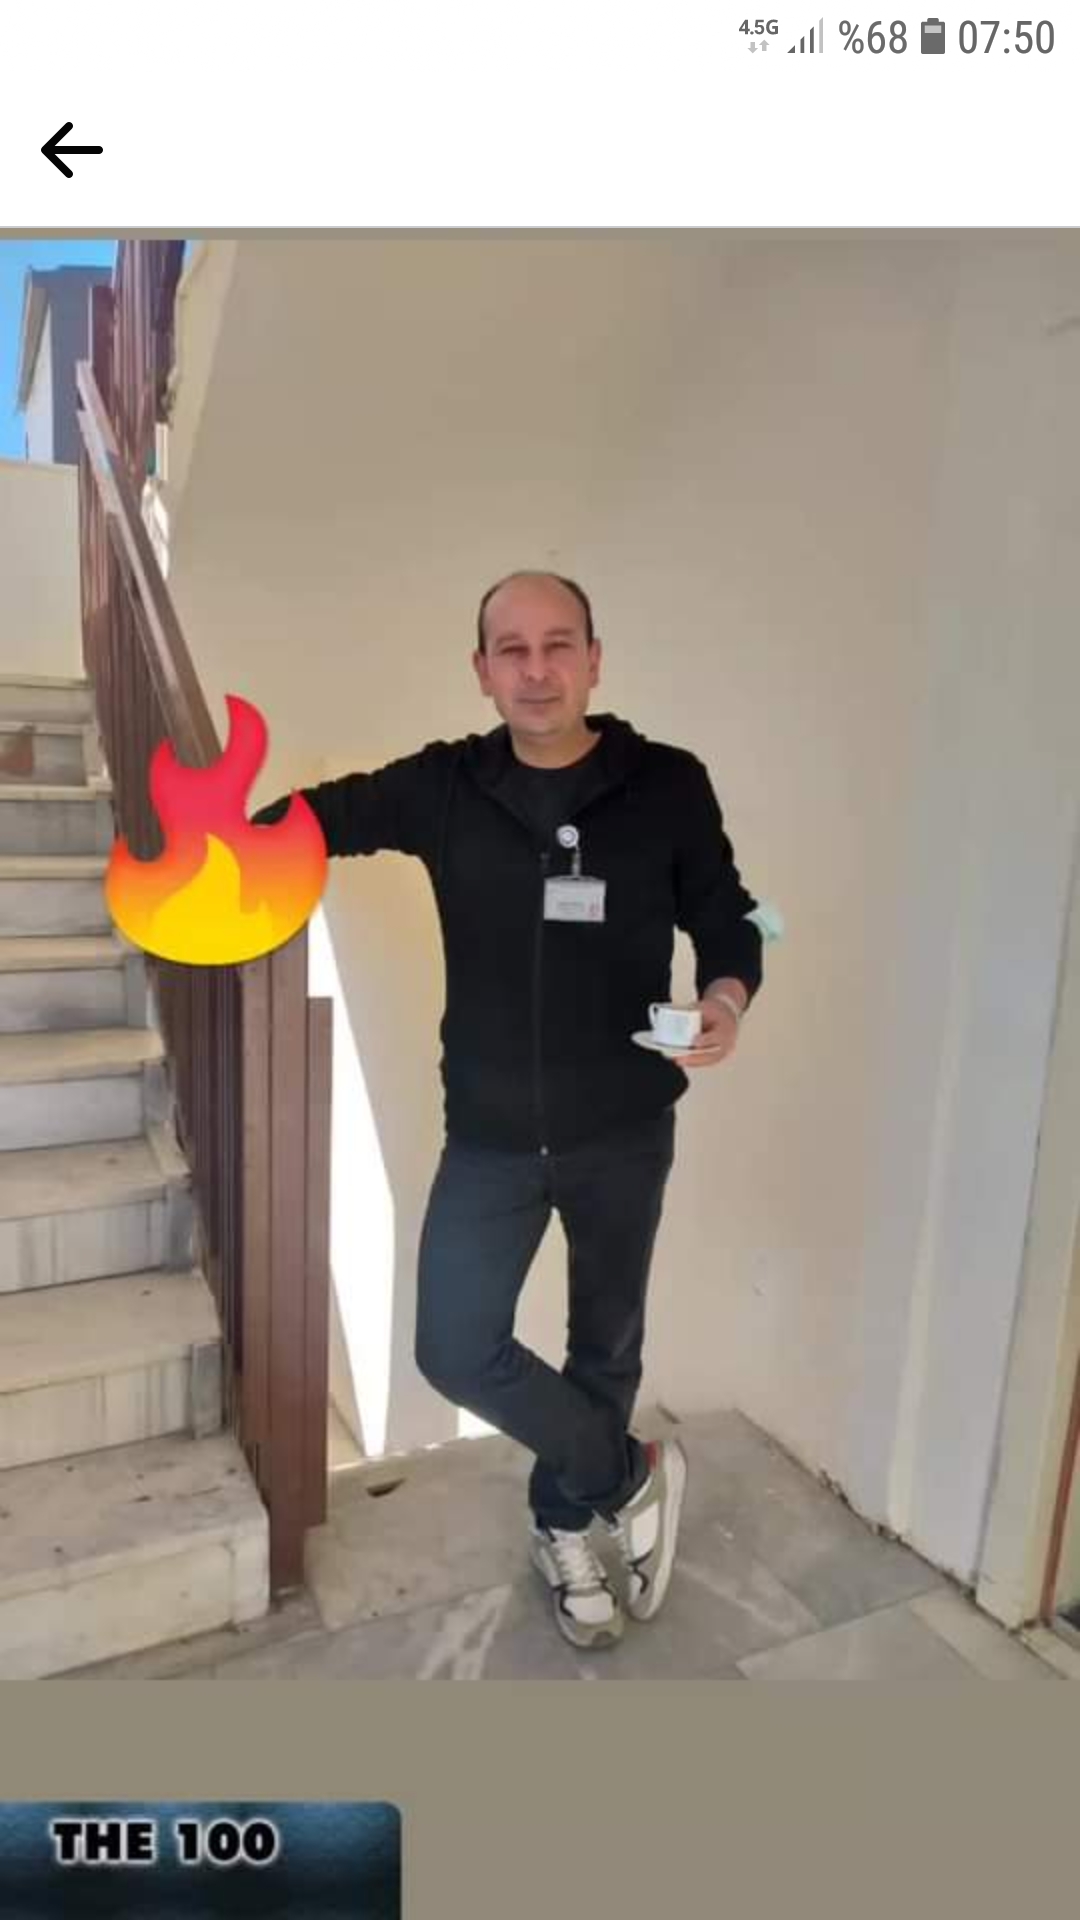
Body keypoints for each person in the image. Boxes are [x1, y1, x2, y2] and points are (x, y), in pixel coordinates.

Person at [252, 571, 764, 1650]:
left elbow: (728, 914)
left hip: (624, 1127)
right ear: (482, 671)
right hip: (489, 1133)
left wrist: (725, 997)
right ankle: (629, 1474)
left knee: (604, 1345)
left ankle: (564, 1522)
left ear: (595, 660)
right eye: (513, 650)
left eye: (558, 645)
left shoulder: (667, 784)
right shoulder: (447, 786)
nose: (537, 670)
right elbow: (313, 821)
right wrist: (212, 845)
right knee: (454, 1345)